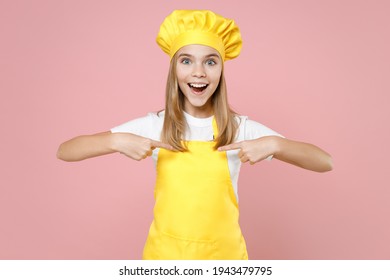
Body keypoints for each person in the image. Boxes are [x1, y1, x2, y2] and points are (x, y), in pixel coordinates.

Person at [57, 10, 333, 260]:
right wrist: (115, 141)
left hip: (225, 261)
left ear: (221, 70)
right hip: (165, 261)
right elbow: (66, 151)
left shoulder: (238, 128)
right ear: (174, 69)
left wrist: (275, 145)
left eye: (210, 62)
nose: (198, 72)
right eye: (186, 61)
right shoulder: (155, 126)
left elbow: (324, 162)